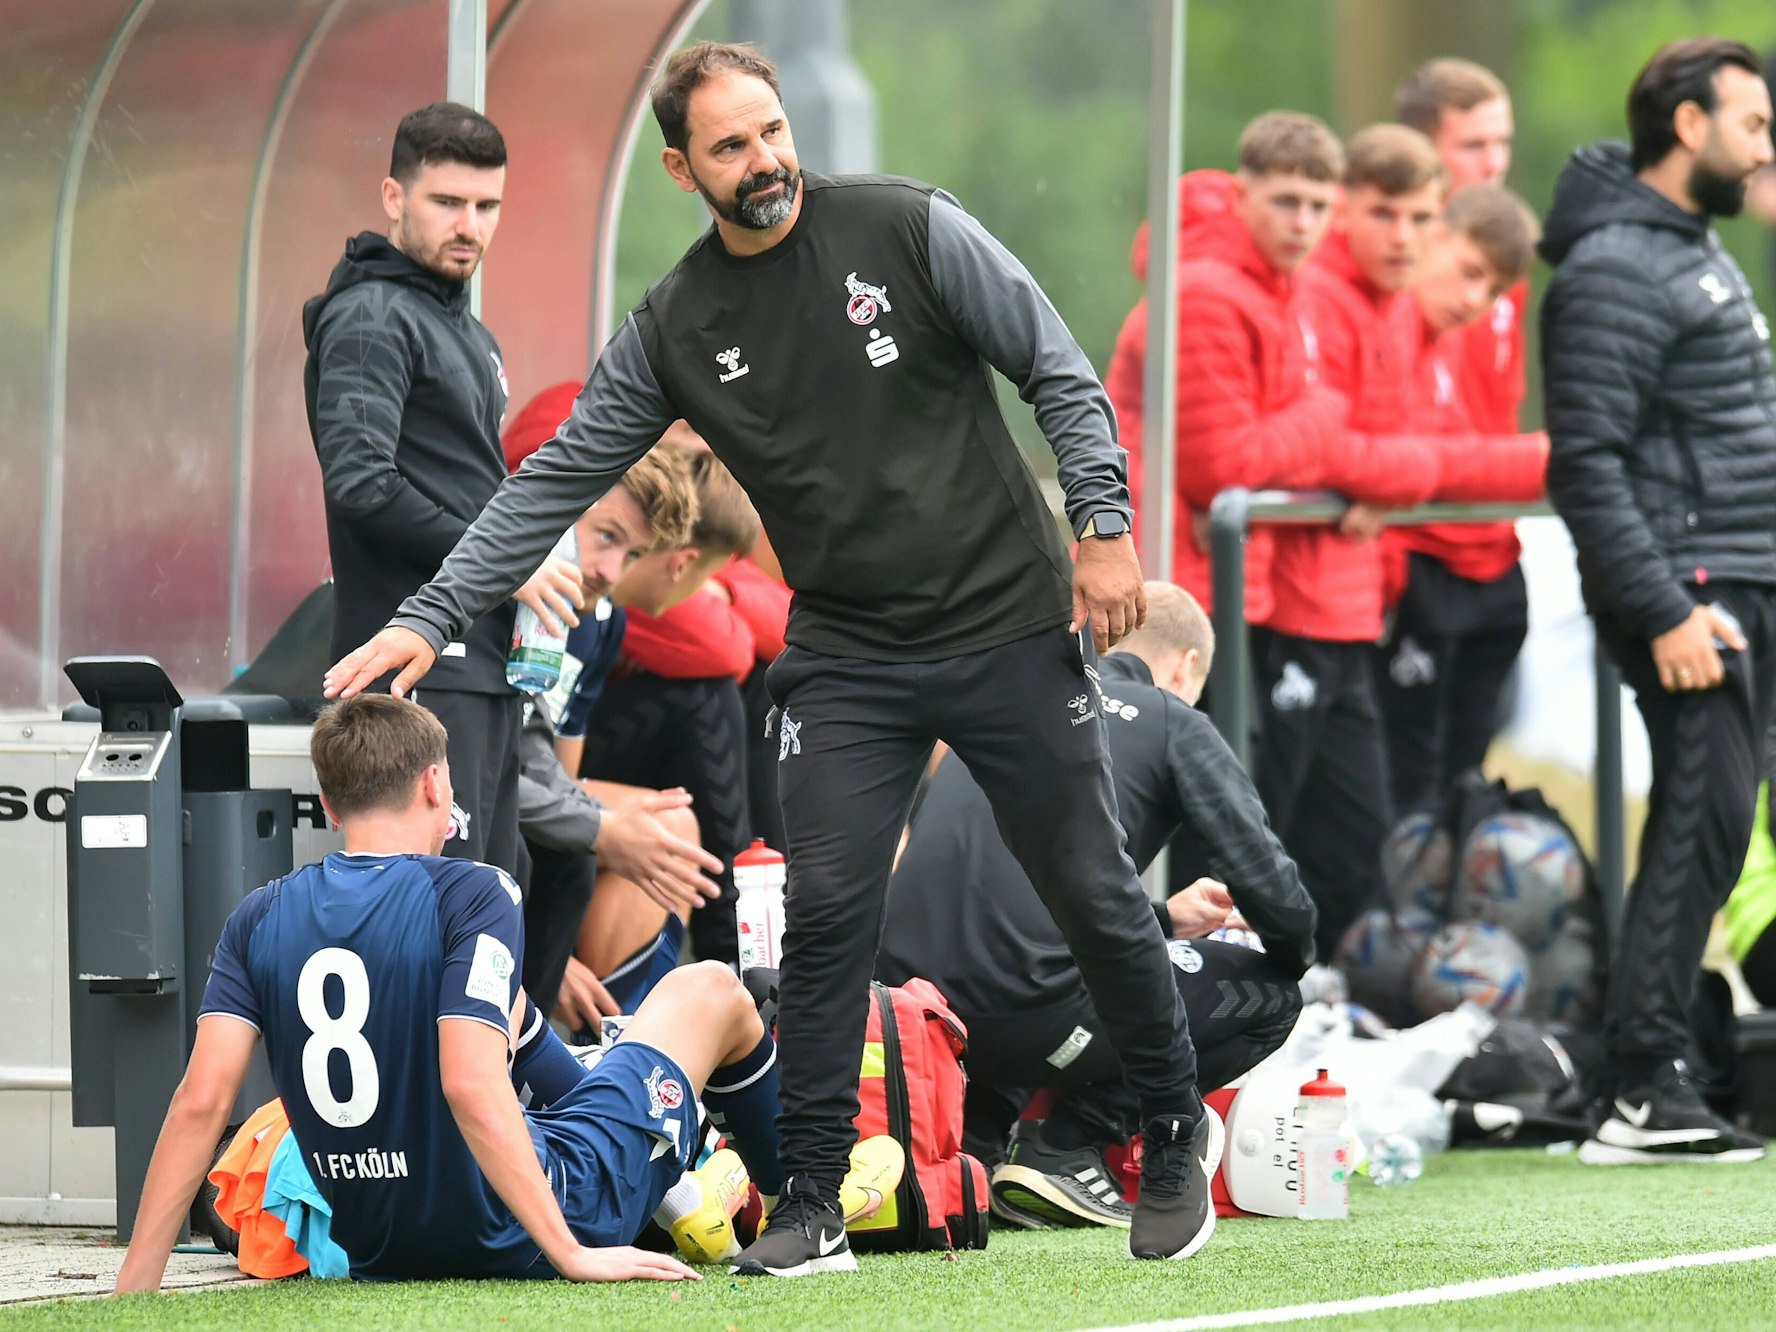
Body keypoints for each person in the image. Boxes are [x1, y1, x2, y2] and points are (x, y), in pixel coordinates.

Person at [325, 40, 1220, 1272]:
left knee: (1091, 887)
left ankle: (1171, 1130)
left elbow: (1055, 366)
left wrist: (1105, 527)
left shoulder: (909, 229)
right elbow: (550, 485)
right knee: (824, 912)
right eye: (731, 146)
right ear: (681, 169)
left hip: (1007, 624)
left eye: (773, 132)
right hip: (849, 651)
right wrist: (428, 617)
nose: (764, 162)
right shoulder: (676, 323)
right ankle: (810, 1199)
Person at [113, 694, 791, 1288]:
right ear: (436, 784)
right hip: (523, 1227)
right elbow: (469, 1083)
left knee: (513, 1016)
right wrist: (571, 1252)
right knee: (711, 989)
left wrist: (134, 1289)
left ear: (328, 804)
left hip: (378, 1248)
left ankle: (672, 1164)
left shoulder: (257, 914)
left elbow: (199, 1103)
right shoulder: (473, 891)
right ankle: (803, 1207)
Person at [876, 583, 1316, 1231]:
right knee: (1272, 996)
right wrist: (1297, 954)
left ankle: (978, 1139)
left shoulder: (1003, 701)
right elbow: (1271, 889)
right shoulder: (1170, 719)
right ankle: (1068, 1144)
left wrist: (1163, 920)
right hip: (1033, 1018)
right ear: (1187, 665)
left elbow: (993, 886)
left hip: (914, 1014)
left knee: (1033, 964)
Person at [1540, 36, 1776, 1164]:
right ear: (1690, 125)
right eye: (1755, 125)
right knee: (1700, 821)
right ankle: (1640, 1089)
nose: (1765, 148)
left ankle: (1648, 1075)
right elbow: (1584, 463)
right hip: (1689, 594)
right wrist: (1666, 611)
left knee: (1717, 827)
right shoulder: (1614, 266)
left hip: (1734, 578)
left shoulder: (1691, 245)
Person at [304, 103, 583, 874]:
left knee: (491, 899)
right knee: (431, 905)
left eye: (487, 205)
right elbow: (362, 484)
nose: (470, 226)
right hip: (411, 670)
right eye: (448, 202)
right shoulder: (369, 316)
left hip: (481, 667)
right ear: (394, 197)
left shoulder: (466, 329)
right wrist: (507, 563)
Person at [1103, 112, 1349, 633]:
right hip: (1164, 587)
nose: (1303, 223)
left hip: (1209, 575)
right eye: (1286, 202)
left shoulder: (1278, 288)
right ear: (1240, 195)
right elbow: (1223, 466)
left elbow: (1246, 458)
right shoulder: (1208, 294)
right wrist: (1329, 411)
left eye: (1319, 206)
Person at [509, 445, 713, 1020]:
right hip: (460, 822)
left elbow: (554, 772)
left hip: (525, 810)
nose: (611, 572)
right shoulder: (500, 591)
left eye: (634, 554)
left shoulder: (599, 618)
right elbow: (472, 780)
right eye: (606, 537)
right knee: (643, 833)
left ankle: (618, 1047)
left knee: (662, 830)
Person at [1378, 186, 1547, 813]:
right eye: (1471, 273)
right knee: (1394, 789)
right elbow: (1410, 457)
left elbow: (1441, 450)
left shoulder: (1443, 336)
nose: (1477, 300)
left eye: (1495, 289)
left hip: (1480, 557)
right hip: (1402, 571)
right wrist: (1542, 462)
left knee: (1454, 785)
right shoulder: (1387, 319)